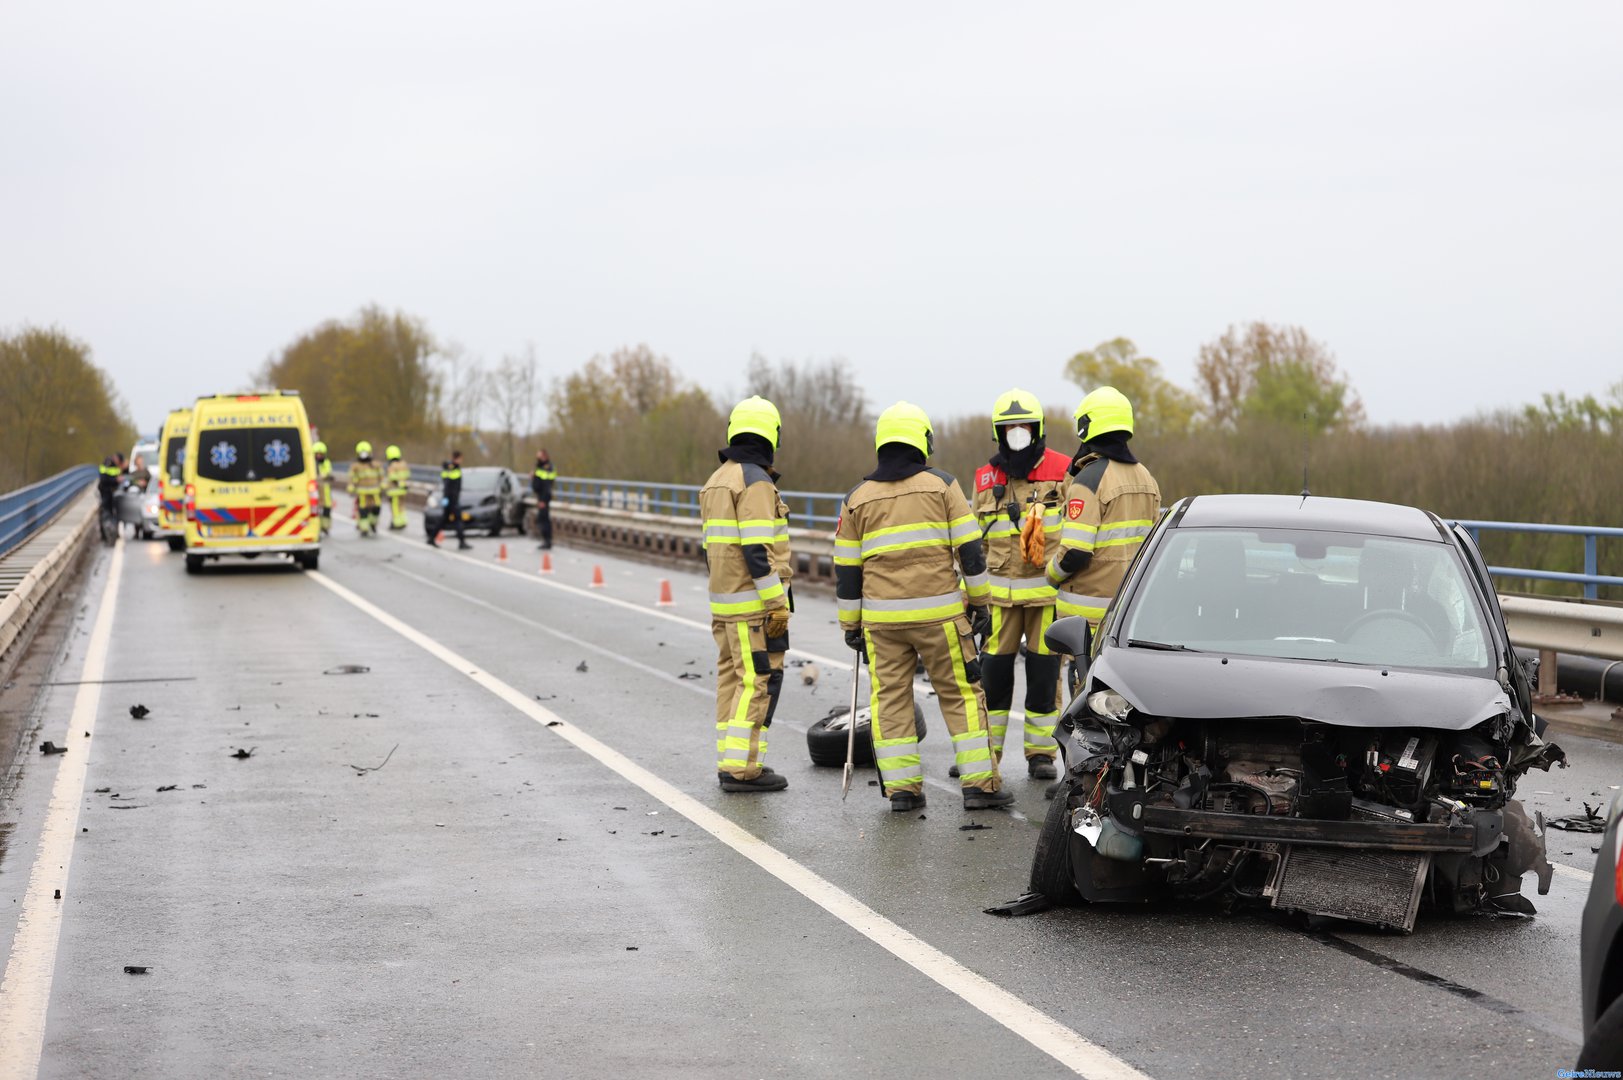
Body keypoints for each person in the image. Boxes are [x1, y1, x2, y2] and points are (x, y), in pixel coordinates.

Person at [835, 401, 1011, 812]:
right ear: (923, 442)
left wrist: (851, 625)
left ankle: (902, 792)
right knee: (961, 695)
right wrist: (982, 603)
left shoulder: (856, 499)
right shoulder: (943, 486)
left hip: (882, 623)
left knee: (890, 700)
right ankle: (979, 786)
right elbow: (971, 553)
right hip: (941, 619)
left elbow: (846, 570)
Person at [966, 388, 1071, 782]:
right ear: (998, 432)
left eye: (1023, 427)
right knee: (993, 677)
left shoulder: (1062, 471)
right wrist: (967, 594)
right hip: (997, 601)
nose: (1016, 434)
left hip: (1045, 595)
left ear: (1037, 429)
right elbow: (971, 541)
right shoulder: (984, 478)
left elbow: (1074, 531)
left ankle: (1040, 754)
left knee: (1044, 676)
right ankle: (987, 752)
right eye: (1008, 428)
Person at [700, 397, 793, 793]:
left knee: (731, 680)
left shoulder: (715, 480)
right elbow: (757, 550)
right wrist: (777, 604)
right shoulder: (755, 482)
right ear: (771, 435)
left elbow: (714, 550)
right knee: (756, 680)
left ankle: (731, 759)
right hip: (753, 607)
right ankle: (742, 769)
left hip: (724, 604)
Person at [1046, 387, 1161, 630]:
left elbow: (1075, 552)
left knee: (1084, 671)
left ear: (1086, 426)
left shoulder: (1089, 480)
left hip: (1088, 618)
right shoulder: (1146, 478)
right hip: (1130, 612)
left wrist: (1050, 575)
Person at [432, 450, 471, 550]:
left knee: (444, 519)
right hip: (452, 499)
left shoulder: (448, 467)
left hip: (448, 498)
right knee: (458, 520)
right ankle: (462, 542)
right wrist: (449, 499)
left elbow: (446, 481)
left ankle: (431, 538)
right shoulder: (454, 468)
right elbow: (450, 485)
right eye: (461, 458)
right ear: (458, 458)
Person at [349, 441, 383, 538]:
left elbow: (382, 476)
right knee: (363, 509)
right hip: (362, 492)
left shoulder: (376, 465)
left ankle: (373, 523)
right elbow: (352, 478)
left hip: (375, 492)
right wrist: (351, 486)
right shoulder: (355, 466)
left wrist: (383, 485)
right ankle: (364, 528)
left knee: (377, 507)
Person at [531, 449, 556, 550]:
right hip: (540, 496)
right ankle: (545, 540)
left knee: (544, 519)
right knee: (542, 518)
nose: (537, 457)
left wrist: (543, 500)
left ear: (544, 456)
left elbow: (546, 485)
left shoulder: (547, 467)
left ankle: (547, 541)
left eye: (539, 455)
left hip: (544, 497)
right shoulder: (540, 466)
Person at [384, 446, 411, 530]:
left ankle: (396, 523)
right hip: (403, 490)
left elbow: (392, 478)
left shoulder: (392, 465)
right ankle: (403, 521)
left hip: (394, 491)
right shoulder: (404, 464)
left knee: (395, 507)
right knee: (402, 506)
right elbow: (408, 475)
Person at [313, 441, 334, 535]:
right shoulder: (311, 464)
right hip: (315, 490)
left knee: (327, 509)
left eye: (321, 454)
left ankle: (325, 527)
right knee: (315, 510)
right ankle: (317, 527)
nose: (319, 456)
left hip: (325, 490)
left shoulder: (326, 463)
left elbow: (328, 473)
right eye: (317, 454)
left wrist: (321, 476)